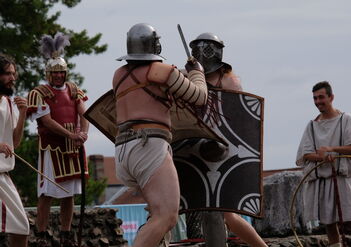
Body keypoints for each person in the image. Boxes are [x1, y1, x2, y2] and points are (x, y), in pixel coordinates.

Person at [113, 23, 208, 247]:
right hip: (149, 146)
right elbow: (200, 97)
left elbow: (157, 81)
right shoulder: (162, 71)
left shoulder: (119, 75)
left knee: (156, 214)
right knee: (167, 215)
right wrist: (197, 72)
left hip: (124, 148)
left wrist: (183, 73)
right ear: (154, 45)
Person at [187, 32, 267, 247]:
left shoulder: (229, 80)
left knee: (224, 213)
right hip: (197, 150)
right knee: (208, 210)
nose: (202, 53)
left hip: (224, 150)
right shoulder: (190, 80)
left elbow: (240, 119)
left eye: (207, 48)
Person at [27, 33, 89, 247]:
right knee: (47, 193)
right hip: (52, 148)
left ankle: (65, 234)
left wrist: (83, 133)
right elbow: (47, 122)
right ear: (48, 74)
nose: (58, 76)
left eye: (61, 73)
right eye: (54, 73)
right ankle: (41, 235)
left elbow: (83, 113)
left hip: (73, 147)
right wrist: (71, 134)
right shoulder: (39, 93)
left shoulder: (74, 90)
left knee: (69, 194)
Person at [296, 81, 351, 247]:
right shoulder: (312, 126)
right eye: (315, 98)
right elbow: (306, 154)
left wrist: (332, 150)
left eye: (321, 97)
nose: (318, 101)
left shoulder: (346, 120)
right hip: (323, 179)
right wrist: (322, 158)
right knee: (328, 221)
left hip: (343, 177)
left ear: (331, 97)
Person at [0, 54, 29, 247]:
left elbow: (15, 143)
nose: (13, 78)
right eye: (8, 74)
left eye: (14, 74)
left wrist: (24, 113)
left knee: (22, 228)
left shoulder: (9, 104)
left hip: (3, 176)